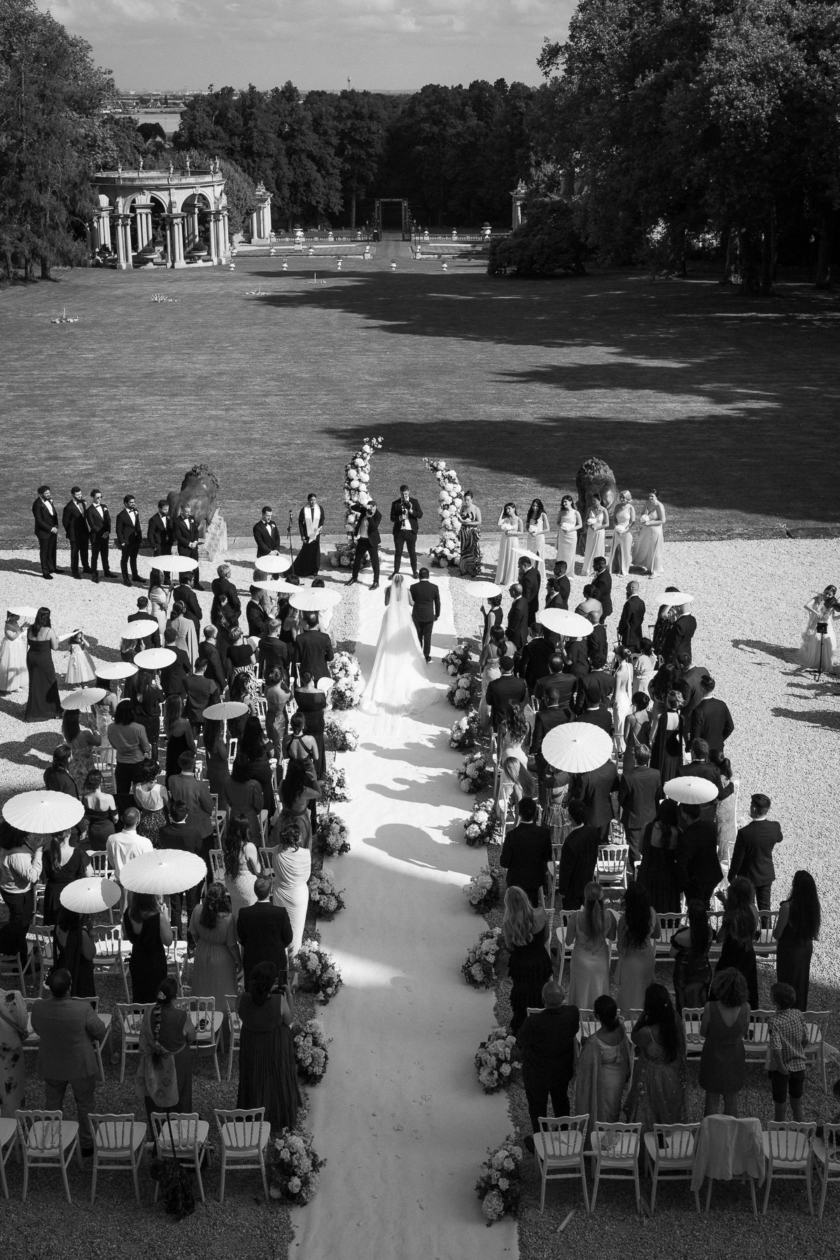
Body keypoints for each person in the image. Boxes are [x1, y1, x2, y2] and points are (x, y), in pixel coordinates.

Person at [30, 968, 107, 1157]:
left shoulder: (39, 1007)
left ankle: (52, 1142)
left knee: (53, 1103)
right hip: (80, 1063)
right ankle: (87, 1144)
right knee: (85, 1104)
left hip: (51, 1061)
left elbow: (38, 1029)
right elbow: (100, 1030)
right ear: (69, 988)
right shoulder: (82, 1008)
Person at [236, 961, 300, 1131]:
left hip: (252, 1046)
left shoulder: (242, 999)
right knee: (276, 1079)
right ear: (272, 983)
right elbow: (289, 1020)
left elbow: (243, 1014)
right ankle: (278, 1116)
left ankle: (253, 1114)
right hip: (275, 1046)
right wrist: (289, 995)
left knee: (254, 1079)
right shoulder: (278, 1000)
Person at [516, 979, 579, 1148]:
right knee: (561, 1102)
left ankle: (541, 1142)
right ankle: (564, 1138)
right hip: (561, 1071)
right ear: (563, 997)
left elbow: (521, 1039)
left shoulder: (533, 1022)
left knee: (538, 1108)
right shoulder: (572, 1014)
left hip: (537, 1074)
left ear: (542, 1001)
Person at [361, 574, 437, 714]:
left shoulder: (389, 589)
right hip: (403, 614)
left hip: (391, 614)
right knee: (406, 638)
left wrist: (386, 593)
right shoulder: (407, 590)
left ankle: (386, 658)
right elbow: (412, 604)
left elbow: (386, 603)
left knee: (387, 636)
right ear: (402, 582)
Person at [136, 975, 196, 1127]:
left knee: (155, 1095)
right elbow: (191, 1037)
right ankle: (180, 1133)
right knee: (180, 1096)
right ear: (174, 997)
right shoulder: (181, 1016)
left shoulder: (149, 1012)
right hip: (177, 1062)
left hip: (153, 1061)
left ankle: (158, 1132)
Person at [625, 984, 685, 1132]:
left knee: (648, 1114)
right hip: (671, 1074)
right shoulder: (675, 1018)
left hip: (650, 1078)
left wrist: (643, 1016)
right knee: (666, 1112)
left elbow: (634, 1036)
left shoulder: (648, 1032)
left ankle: (647, 1150)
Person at [189, 883, 241, 1050]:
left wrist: (203, 945)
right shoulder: (227, 918)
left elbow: (193, 933)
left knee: (202, 990)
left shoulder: (197, 910)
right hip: (222, 959)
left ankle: (201, 1031)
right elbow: (232, 945)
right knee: (222, 994)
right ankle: (223, 1035)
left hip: (202, 953)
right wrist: (239, 961)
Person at [575, 994, 633, 1138]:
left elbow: (583, 1064)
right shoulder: (620, 1028)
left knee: (603, 1108)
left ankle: (600, 1139)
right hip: (618, 1077)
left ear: (597, 1015)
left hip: (605, 1079)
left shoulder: (595, 1041)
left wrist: (586, 1045)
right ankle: (611, 1135)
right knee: (614, 1107)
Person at [698, 967, 750, 1116]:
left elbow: (703, 1032)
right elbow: (744, 1032)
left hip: (712, 1053)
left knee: (711, 1099)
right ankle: (731, 1134)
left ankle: (710, 1134)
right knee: (732, 1099)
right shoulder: (746, 1008)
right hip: (735, 1054)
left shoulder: (710, 1007)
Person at [503, 886, 552, 1035]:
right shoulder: (540, 913)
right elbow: (545, 938)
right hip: (539, 960)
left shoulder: (509, 923)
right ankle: (542, 1023)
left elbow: (509, 946)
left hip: (521, 963)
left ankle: (522, 1027)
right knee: (540, 990)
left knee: (522, 994)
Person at [728, 793, 782, 919]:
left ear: (753, 808)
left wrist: (731, 877)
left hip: (747, 878)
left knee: (747, 909)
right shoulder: (775, 827)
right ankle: (765, 935)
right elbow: (779, 838)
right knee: (765, 910)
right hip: (765, 874)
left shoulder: (744, 833)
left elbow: (737, 859)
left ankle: (749, 935)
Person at [774, 870, 820, 1011]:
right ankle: (799, 1015)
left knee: (786, 985)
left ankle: (785, 1016)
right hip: (805, 949)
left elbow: (777, 934)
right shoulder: (813, 906)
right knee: (801, 983)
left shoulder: (787, 907)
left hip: (789, 951)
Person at [566, 882, 616, 1009]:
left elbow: (568, 941)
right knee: (599, 990)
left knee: (580, 993)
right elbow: (612, 937)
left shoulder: (576, 916)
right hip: (600, 960)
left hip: (581, 961)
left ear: (585, 897)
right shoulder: (609, 916)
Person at [237, 875, 293, 987]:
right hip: (276, 960)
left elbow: (241, 938)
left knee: (253, 995)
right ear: (270, 891)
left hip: (252, 959)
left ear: (255, 891)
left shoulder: (244, 913)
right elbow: (288, 938)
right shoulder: (280, 913)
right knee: (277, 995)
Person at [615, 883, 659, 1018]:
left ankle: (630, 1026)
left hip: (631, 961)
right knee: (645, 993)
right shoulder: (651, 912)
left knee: (630, 998)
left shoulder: (625, 919)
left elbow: (621, 947)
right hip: (647, 957)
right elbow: (657, 934)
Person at [767, 982, 809, 1123]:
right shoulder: (798, 1014)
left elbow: (776, 1047)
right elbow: (805, 1039)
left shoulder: (774, 1022)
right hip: (799, 1065)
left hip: (781, 1069)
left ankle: (779, 1131)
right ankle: (802, 1131)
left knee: (780, 1103)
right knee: (797, 1103)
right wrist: (798, 1051)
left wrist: (780, 1065)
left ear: (775, 1000)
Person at [499, 798, 553, 907]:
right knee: (532, 911)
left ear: (519, 813)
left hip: (515, 881)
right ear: (534, 813)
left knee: (514, 912)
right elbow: (547, 856)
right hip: (535, 879)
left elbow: (504, 862)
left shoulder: (512, 835)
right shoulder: (544, 833)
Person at [715, 877, 759, 1009]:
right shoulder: (753, 910)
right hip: (747, 954)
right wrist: (725, 902)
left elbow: (719, 938)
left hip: (731, 956)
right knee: (748, 988)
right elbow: (742, 911)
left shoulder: (731, 916)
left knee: (727, 990)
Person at [269, 819, 311, 956]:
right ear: (297, 838)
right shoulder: (306, 854)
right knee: (296, 928)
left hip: (281, 893)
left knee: (280, 926)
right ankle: (293, 955)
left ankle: (281, 953)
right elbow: (306, 876)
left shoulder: (276, 851)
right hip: (298, 895)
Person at [123, 891, 173, 1002]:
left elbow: (127, 935)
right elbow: (168, 941)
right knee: (157, 1000)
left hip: (137, 960)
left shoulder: (128, 913)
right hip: (155, 963)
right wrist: (165, 916)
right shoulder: (158, 917)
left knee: (140, 997)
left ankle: (140, 1018)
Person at [619, 745, 660, 874]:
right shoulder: (656, 774)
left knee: (634, 849)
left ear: (635, 758)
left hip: (633, 817)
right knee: (649, 847)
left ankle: (637, 875)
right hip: (651, 816)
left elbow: (621, 799)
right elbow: (658, 795)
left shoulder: (627, 776)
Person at [637, 797, 681, 914]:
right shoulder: (678, 832)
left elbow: (641, 849)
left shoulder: (648, 827)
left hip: (648, 876)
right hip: (669, 881)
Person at [554, 800, 599, 910]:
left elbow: (566, 870)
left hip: (572, 891)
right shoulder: (593, 832)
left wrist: (561, 892)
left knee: (570, 923)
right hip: (588, 883)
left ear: (570, 816)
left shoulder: (570, 842)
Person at [670, 899, 713, 1014]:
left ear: (689, 916)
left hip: (684, 974)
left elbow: (672, 954)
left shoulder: (681, 937)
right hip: (703, 971)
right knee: (702, 1003)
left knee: (683, 1006)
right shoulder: (709, 933)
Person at [107, 699, 150, 807]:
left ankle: (124, 815)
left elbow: (113, 745)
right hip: (138, 764)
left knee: (122, 795)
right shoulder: (139, 728)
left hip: (121, 764)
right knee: (140, 794)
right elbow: (146, 748)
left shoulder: (111, 727)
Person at [42, 829, 89, 926]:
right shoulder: (79, 853)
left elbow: (42, 877)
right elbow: (89, 874)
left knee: (54, 928)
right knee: (73, 928)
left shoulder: (46, 854)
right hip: (73, 892)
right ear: (69, 835)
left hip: (53, 894)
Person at [168, 751, 214, 844]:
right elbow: (209, 807)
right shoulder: (200, 785)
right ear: (193, 765)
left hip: (180, 824)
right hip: (200, 829)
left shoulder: (172, 779)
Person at [274, 758, 320, 851]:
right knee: (301, 844)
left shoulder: (283, 784)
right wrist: (314, 780)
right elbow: (319, 793)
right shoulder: (303, 791)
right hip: (300, 821)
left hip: (284, 818)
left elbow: (281, 799)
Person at [24, 606, 62, 721]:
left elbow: (29, 642)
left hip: (31, 657)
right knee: (50, 683)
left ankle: (33, 711)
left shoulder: (30, 628)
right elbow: (55, 647)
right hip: (43, 659)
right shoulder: (49, 631)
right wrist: (57, 640)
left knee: (35, 684)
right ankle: (53, 711)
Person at [569, 756, 619, 841]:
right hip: (606, 813)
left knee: (589, 844)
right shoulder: (611, 767)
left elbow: (579, 797)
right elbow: (615, 786)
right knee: (603, 842)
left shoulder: (584, 775)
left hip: (590, 816)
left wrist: (573, 787)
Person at [52, 906, 97, 998]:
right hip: (80, 974)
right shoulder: (81, 934)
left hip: (63, 967)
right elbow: (90, 954)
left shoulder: (58, 927)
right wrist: (91, 935)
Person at [223, 813, 261, 917]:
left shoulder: (227, 844)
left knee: (236, 912)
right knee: (250, 917)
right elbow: (258, 870)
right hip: (246, 885)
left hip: (231, 882)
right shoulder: (248, 847)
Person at [0, 983, 29, 1116]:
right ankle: (13, 1131)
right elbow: (22, 1023)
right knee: (11, 1091)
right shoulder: (13, 997)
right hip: (9, 1050)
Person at [106, 807, 153, 886]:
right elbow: (149, 865)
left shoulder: (111, 839)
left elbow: (112, 862)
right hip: (138, 884)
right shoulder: (145, 842)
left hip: (120, 883)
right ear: (137, 822)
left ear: (121, 818)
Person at [798, 585, 839, 673]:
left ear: (833, 595)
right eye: (826, 593)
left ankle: (824, 662)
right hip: (816, 624)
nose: (827, 596)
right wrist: (816, 612)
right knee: (816, 640)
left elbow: (834, 618)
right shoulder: (817, 598)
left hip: (827, 625)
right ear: (824, 591)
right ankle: (815, 660)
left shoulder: (833, 603)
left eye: (830, 595)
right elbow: (806, 605)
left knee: (828, 642)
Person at [689, 676, 734, 753]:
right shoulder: (722, 705)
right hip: (718, 748)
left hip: (703, 751)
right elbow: (730, 727)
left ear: (702, 688)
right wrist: (720, 739)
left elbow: (695, 735)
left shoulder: (698, 710)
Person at [649, 690, 683, 783]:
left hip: (662, 748)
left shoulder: (663, 716)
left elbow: (655, 735)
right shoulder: (680, 718)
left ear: (667, 702)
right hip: (674, 749)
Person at [390, 483, 423, 578]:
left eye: (406, 494)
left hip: (411, 531)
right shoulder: (395, 503)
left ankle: (414, 572)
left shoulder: (414, 502)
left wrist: (412, 511)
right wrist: (400, 517)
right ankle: (396, 572)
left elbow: (420, 514)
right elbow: (392, 518)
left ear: (409, 492)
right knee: (398, 552)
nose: (404, 496)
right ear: (400, 493)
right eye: (402, 494)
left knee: (412, 552)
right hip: (399, 531)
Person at [133, 762, 170, 846]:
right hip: (161, 821)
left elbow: (139, 804)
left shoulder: (136, 787)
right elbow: (169, 806)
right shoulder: (161, 789)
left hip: (145, 820)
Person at [347, 500, 382, 588]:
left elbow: (374, 528)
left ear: (375, 507)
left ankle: (376, 582)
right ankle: (354, 577)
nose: (372, 510)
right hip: (362, 540)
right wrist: (362, 506)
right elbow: (352, 507)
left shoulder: (378, 515)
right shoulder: (364, 510)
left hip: (372, 541)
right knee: (357, 560)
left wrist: (370, 517)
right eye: (370, 508)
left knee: (375, 562)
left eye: (373, 508)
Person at [81, 770, 118, 851]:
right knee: (110, 855)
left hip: (93, 831)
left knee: (97, 855)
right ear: (101, 780)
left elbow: (86, 816)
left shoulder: (85, 798)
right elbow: (115, 818)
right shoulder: (108, 798)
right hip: (107, 830)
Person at [409, 568, 440, 663]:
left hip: (417, 615)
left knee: (417, 635)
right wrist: (437, 615)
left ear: (419, 576)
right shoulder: (434, 587)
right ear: (428, 576)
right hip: (429, 615)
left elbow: (412, 601)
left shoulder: (413, 587)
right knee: (427, 636)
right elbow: (438, 603)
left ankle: (417, 654)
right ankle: (426, 655)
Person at [632, 491, 666, 576]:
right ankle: (650, 568)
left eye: (652, 496)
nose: (650, 498)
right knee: (647, 548)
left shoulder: (659, 506)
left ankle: (656, 570)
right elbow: (643, 513)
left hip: (656, 530)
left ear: (657, 497)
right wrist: (644, 517)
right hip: (647, 530)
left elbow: (663, 520)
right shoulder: (647, 503)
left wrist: (649, 523)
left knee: (655, 549)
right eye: (649, 496)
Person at [294, 613, 334, 684]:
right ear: (317, 623)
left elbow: (296, 658)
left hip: (305, 674)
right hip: (321, 673)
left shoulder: (300, 638)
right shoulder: (325, 637)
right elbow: (330, 657)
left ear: (307, 623)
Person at [62, 485, 91, 579]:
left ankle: (86, 567)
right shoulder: (69, 507)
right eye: (77, 494)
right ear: (72, 495)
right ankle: (75, 571)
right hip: (74, 534)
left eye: (80, 494)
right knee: (75, 552)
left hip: (84, 532)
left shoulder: (83, 502)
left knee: (85, 550)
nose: (79, 496)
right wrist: (70, 532)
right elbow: (65, 522)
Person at [115, 493, 143, 586]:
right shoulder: (121, 516)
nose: (133, 504)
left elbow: (137, 525)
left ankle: (135, 575)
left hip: (135, 539)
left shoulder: (136, 511)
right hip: (126, 541)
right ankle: (125, 578)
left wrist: (140, 537)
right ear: (125, 503)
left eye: (134, 502)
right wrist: (122, 541)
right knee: (125, 559)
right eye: (131, 502)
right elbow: (118, 530)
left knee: (134, 558)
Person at [294, 492, 324, 576]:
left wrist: (320, 527)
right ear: (308, 500)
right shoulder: (304, 509)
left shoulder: (320, 508)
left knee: (316, 550)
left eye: (314, 500)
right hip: (307, 534)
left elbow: (322, 519)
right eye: (311, 500)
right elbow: (300, 522)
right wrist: (302, 535)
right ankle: (306, 568)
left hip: (316, 533)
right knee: (307, 550)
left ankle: (315, 569)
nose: (313, 502)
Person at [33, 484, 60, 579]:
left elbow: (54, 515)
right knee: (44, 551)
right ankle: (45, 572)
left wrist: (56, 526)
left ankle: (52, 567)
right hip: (44, 531)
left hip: (53, 530)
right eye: (46, 493)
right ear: (41, 494)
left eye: (49, 492)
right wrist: (50, 528)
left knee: (52, 549)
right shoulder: (37, 504)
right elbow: (39, 520)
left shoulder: (50, 501)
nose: (48, 494)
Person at [264, 667, 291, 763]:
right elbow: (291, 697)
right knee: (280, 742)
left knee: (271, 740)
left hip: (270, 716)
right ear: (282, 678)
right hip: (280, 718)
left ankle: (272, 760)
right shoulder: (284, 694)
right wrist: (284, 684)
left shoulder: (267, 689)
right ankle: (279, 764)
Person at [85, 488, 112, 583]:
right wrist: (102, 533)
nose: (99, 499)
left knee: (105, 555)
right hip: (96, 537)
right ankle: (94, 574)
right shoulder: (89, 510)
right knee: (95, 556)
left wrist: (108, 531)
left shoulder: (104, 506)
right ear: (92, 497)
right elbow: (92, 525)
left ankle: (106, 571)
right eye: (97, 497)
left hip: (105, 535)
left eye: (101, 497)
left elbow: (108, 520)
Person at [496, 501, 525, 586]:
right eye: (506, 509)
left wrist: (512, 533)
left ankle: (510, 578)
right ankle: (502, 577)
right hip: (505, 539)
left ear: (514, 509)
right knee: (504, 556)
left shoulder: (519, 519)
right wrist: (501, 513)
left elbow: (522, 532)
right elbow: (499, 523)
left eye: (509, 508)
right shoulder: (506, 518)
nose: (508, 510)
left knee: (512, 557)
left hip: (513, 539)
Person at [174, 501, 202, 589]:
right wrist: (189, 544)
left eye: (189, 511)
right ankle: (182, 584)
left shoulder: (192, 518)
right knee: (183, 566)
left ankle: (196, 583)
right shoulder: (177, 522)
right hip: (184, 548)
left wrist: (196, 541)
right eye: (186, 512)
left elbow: (196, 531)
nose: (188, 513)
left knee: (195, 565)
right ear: (181, 511)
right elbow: (178, 536)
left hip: (194, 547)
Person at [608, 490, 636, 575]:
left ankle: (624, 569)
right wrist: (616, 527)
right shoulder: (617, 507)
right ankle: (618, 568)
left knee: (626, 551)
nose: (622, 499)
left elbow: (633, 521)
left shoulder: (630, 507)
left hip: (627, 532)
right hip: (617, 531)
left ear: (628, 498)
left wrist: (625, 530)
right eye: (621, 497)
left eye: (624, 497)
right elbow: (614, 519)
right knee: (618, 550)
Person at [581, 493, 609, 577]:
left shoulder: (604, 510)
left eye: (595, 500)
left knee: (598, 549)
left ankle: (598, 569)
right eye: (592, 500)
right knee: (589, 548)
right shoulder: (590, 508)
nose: (593, 502)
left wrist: (597, 527)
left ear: (599, 500)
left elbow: (607, 524)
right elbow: (586, 520)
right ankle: (587, 569)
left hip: (599, 531)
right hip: (591, 532)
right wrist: (589, 523)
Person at [0, 611, 27, 693]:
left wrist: (22, 628)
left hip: (17, 646)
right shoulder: (8, 625)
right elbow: (11, 637)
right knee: (12, 663)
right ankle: (12, 685)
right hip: (11, 647)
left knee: (19, 663)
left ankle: (19, 682)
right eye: (17, 615)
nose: (19, 616)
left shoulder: (15, 622)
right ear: (11, 616)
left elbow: (17, 633)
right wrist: (20, 630)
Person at [458, 490, 482, 576]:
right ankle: (464, 569)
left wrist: (469, 523)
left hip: (472, 532)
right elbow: (460, 518)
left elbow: (479, 522)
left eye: (468, 499)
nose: (466, 501)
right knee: (464, 550)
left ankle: (474, 570)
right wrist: (461, 520)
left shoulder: (476, 509)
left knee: (473, 551)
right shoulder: (463, 508)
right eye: (465, 499)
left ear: (472, 499)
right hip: (464, 532)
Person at [617, 582, 645, 652]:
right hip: (638, 634)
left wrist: (620, 631)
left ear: (631, 588)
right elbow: (641, 618)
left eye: (627, 588)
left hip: (629, 636)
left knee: (628, 657)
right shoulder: (641, 602)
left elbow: (625, 620)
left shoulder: (629, 603)